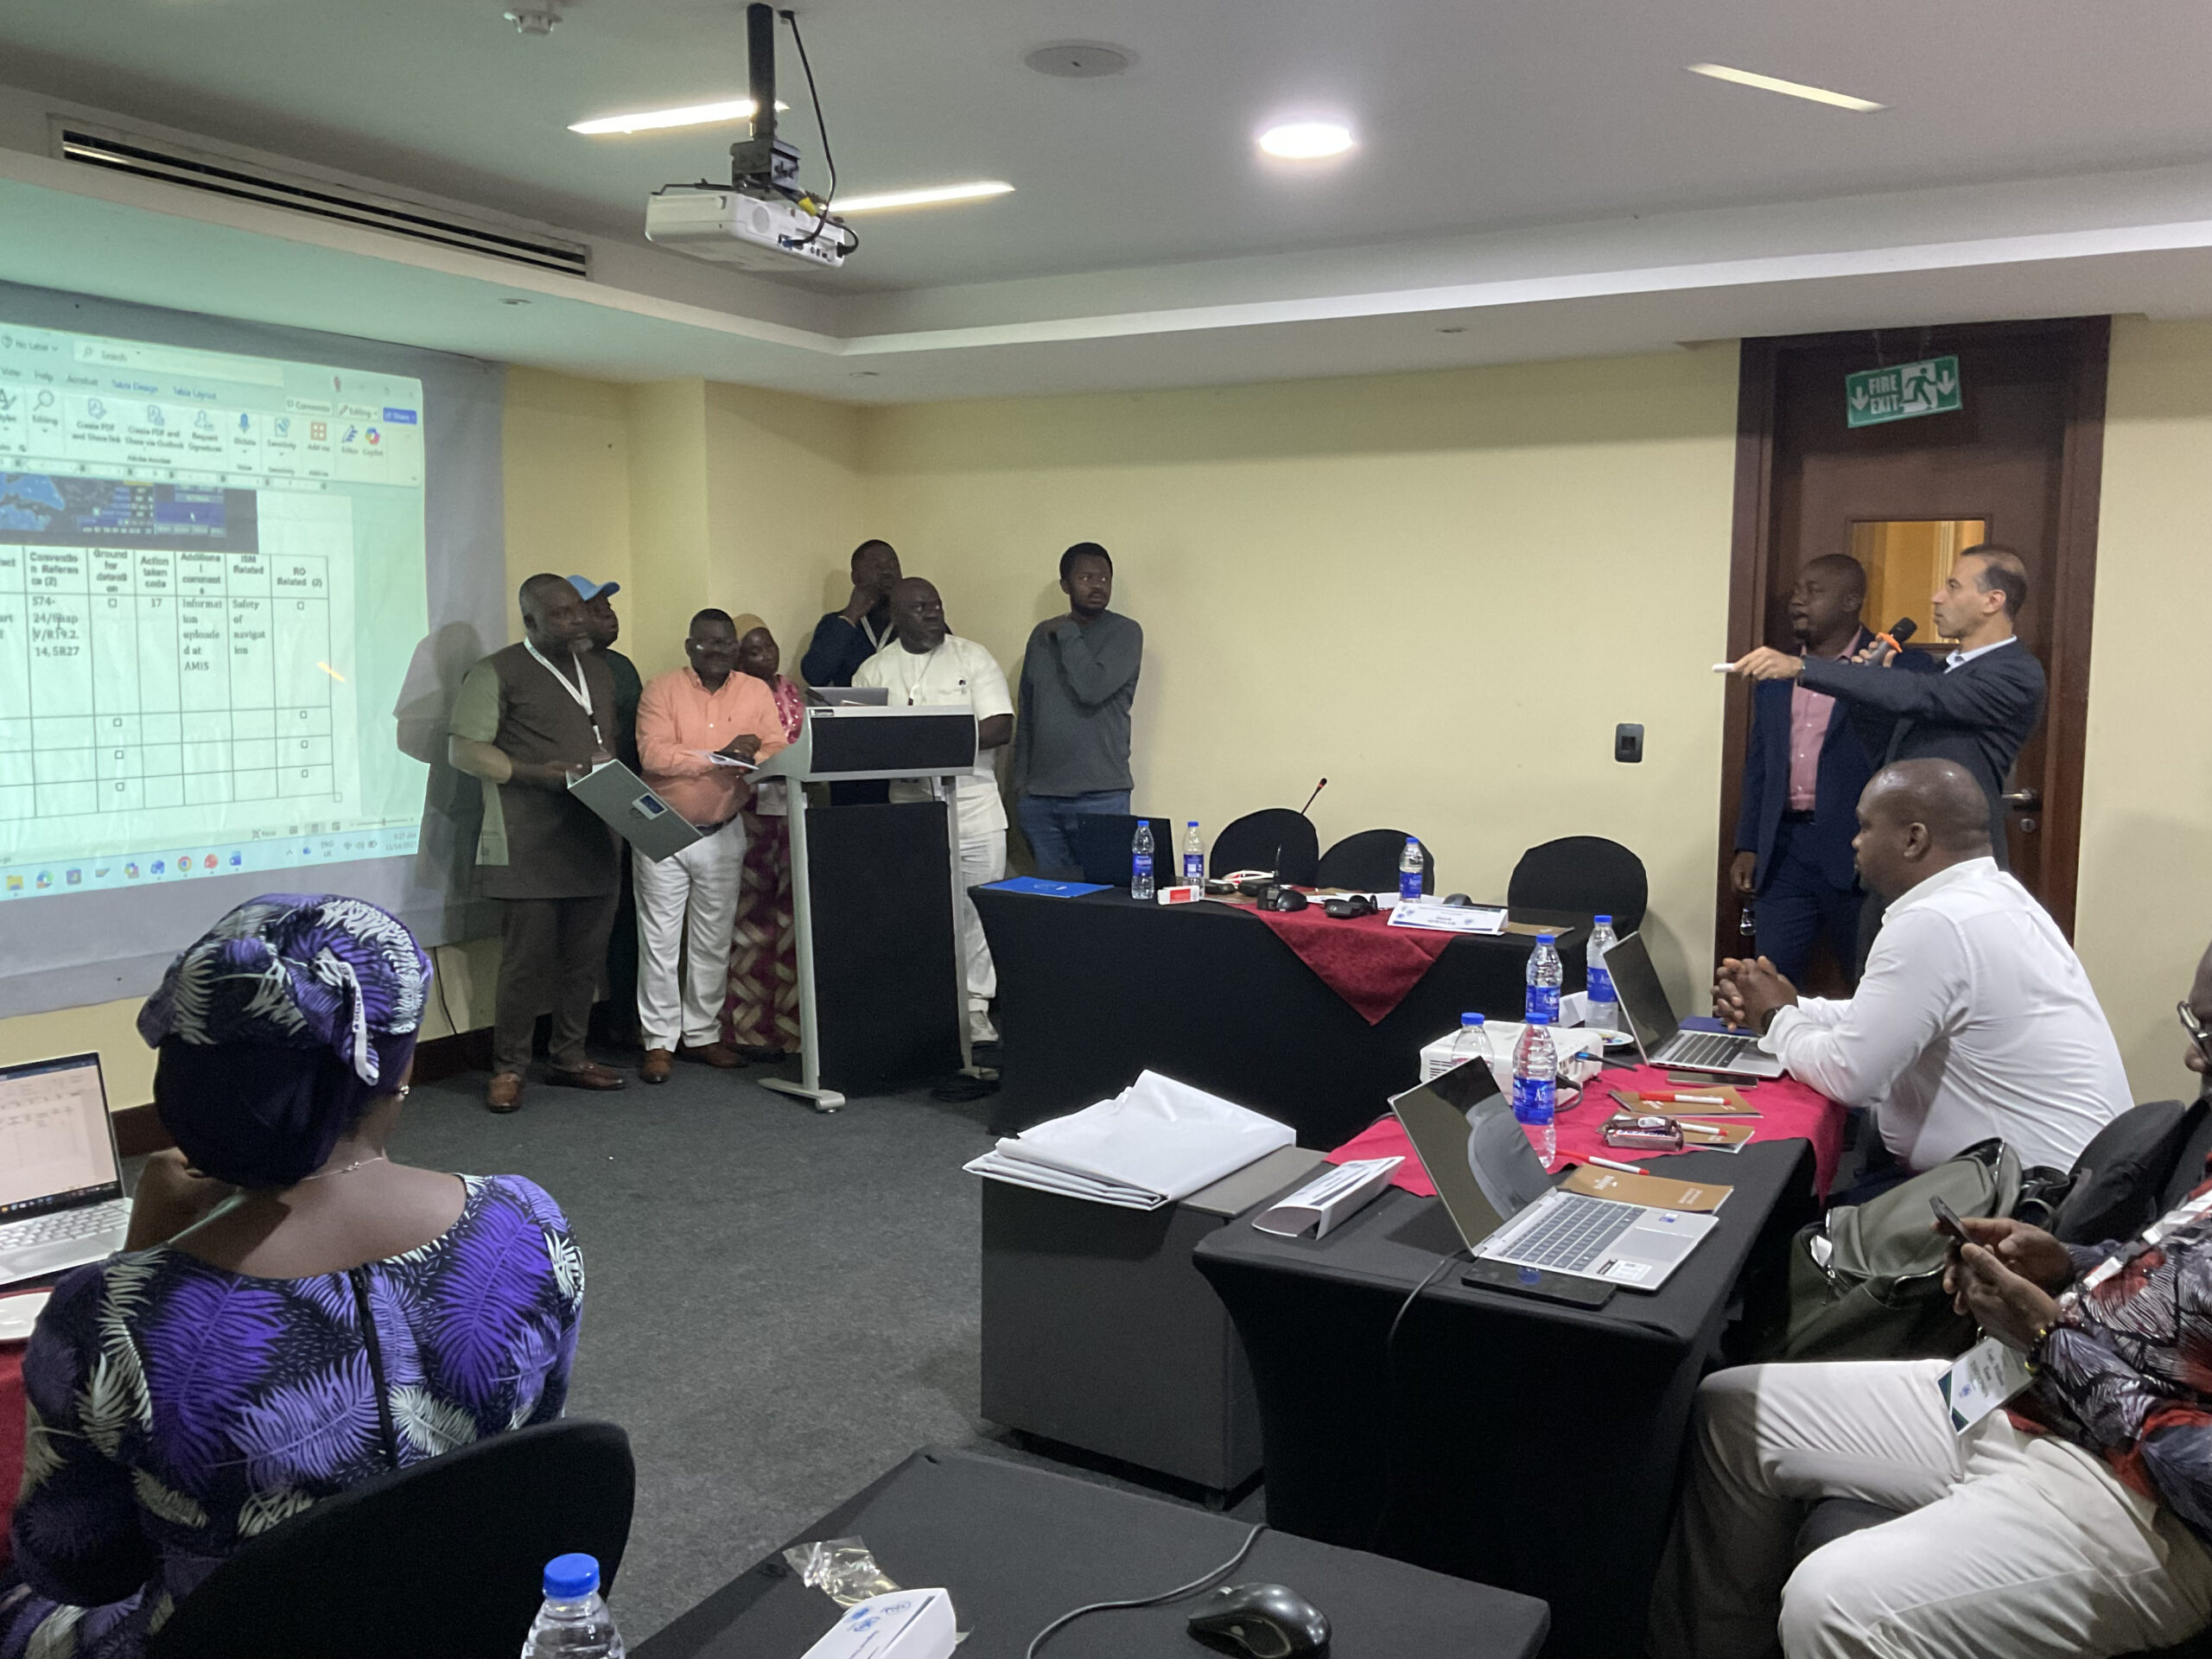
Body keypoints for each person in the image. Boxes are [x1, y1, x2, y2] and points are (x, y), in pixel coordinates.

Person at [0, 895, 584, 1659]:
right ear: (399, 1066)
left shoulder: (106, 1315)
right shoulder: (528, 1223)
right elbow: (530, 1447)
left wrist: (140, 1257)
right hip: (466, 1615)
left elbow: (78, 1567)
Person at [1648, 941, 2212, 1659]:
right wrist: (2068, 1262)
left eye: (2208, 1033)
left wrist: (2050, 1340)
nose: (2192, 1057)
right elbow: (2175, 1280)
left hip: (2141, 1505)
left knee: (1835, 1604)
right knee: (1736, 1412)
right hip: (2032, 1396)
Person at [1715, 758, 2127, 1175]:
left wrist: (1775, 1018)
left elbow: (1850, 1075)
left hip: (2022, 1197)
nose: (1855, 842)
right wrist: (1792, 1006)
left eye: (1865, 827)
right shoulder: (1997, 899)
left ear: (1914, 839)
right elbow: (1894, 1018)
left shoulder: (1936, 923)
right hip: (2064, 1182)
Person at [1729, 544, 2045, 863]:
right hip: (1905, 850)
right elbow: (1888, 752)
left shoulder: (2016, 674)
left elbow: (1926, 694)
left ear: (1993, 601)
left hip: (1954, 853)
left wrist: (1803, 667)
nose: (1937, 597)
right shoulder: (1948, 669)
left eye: (1953, 586)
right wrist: (1869, 694)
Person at [448, 572, 627, 1111]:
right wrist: (539, 775)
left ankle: (570, 1057)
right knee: (525, 965)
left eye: (579, 610)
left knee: (583, 961)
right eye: (562, 614)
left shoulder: (598, 670)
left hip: (594, 834)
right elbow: (465, 751)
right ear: (530, 621)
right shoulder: (496, 671)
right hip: (528, 840)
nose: (577, 621)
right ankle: (510, 1069)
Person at [632, 609, 790, 1083]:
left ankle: (701, 1035)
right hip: (661, 828)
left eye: (725, 643)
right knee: (659, 943)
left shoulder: (754, 691)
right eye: (707, 642)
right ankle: (659, 1041)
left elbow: (777, 748)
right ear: (690, 647)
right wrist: (719, 758)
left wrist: (752, 755)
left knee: (713, 941)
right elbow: (653, 755)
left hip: (724, 828)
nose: (717, 650)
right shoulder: (662, 689)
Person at [854, 578, 1014, 1045]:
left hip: (973, 802)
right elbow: (860, 738)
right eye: (920, 607)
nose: (933, 613)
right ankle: (926, 1007)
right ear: (896, 617)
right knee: (918, 910)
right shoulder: (873, 670)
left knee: (976, 909)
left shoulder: (972, 657)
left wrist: (930, 745)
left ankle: (975, 1006)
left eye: (936, 605)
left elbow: (1000, 726)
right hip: (909, 806)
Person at [1731, 554, 1878, 984]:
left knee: (1869, 979)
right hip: (1784, 852)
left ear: (1851, 600)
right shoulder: (1775, 676)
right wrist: (1748, 843)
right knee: (1769, 978)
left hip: (1858, 851)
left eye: (1814, 591)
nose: (1798, 601)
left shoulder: (1890, 668)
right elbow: (1760, 764)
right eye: (1797, 590)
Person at [1014, 543, 1144, 880]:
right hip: (1040, 800)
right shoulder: (1041, 636)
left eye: (1104, 578)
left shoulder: (1125, 632)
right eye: (1086, 577)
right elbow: (1028, 711)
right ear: (1065, 584)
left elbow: (1092, 689)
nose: (1097, 585)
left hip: (1101, 795)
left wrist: (1068, 632)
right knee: (1052, 899)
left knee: (1104, 895)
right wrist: (1020, 785)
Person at [721, 614, 808, 1060]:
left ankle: (792, 1028)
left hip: (792, 812)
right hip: (751, 814)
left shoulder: (792, 690)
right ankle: (747, 1028)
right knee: (751, 917)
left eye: (769, 646)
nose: (765, 656)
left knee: (792, 917)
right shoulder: (733, 696)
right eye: (752, 651)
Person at [571, 575, 642, 1046]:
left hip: (626, 803)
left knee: (625, 917)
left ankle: (624, 1020)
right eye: (597, 609)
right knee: (580, 922)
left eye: (609, 607)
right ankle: (571, 1039)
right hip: (573, 810)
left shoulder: (622, 667)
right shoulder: (555, 672)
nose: (610, 617)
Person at [800, 538, 902, 688]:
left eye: (893, 565)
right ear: (856, 578)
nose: (887, 572)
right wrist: (850, 616)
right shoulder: (835, 624)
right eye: (876, 566)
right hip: (851, 703)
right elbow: (815, 676)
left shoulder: (914, 623)